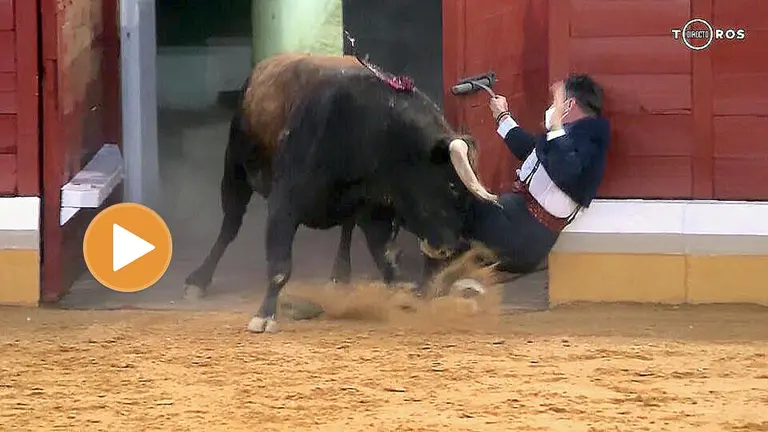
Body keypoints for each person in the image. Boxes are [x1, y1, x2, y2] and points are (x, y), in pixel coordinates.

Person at [459, 73, 611, 274]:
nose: (550, 107)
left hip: (521, 233)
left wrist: (555, 126)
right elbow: (533, 152)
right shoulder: (574, 136)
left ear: (569, 105)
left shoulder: (588, 143)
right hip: (519, 225)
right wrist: (502, 117)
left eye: (556, 101)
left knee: (456, 201)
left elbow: (566, 170)